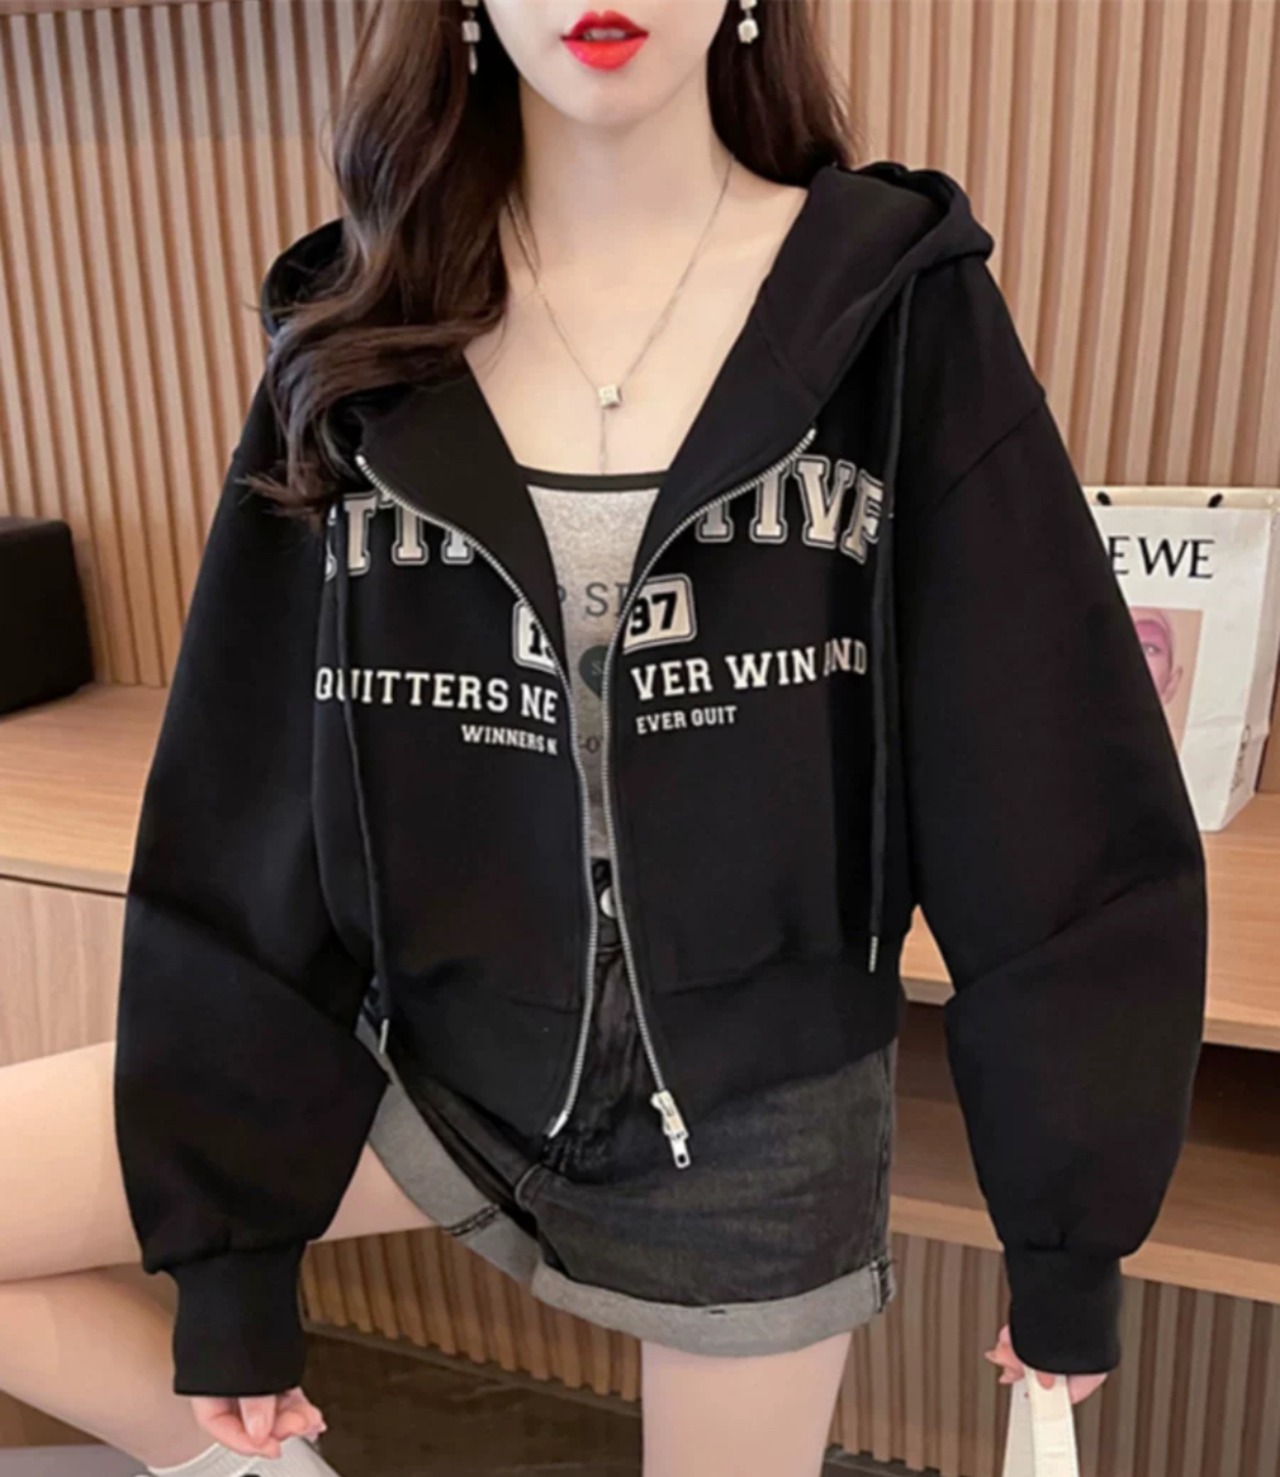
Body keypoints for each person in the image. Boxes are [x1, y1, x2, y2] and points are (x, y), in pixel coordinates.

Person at [0, 3, 1208, 1476]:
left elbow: (1042, 762)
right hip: (433, 1051)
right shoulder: (359, 329)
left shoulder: (893, 307)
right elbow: (250, 782)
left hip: (756, 1119)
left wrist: (1069, 1226)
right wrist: (231, 1261)